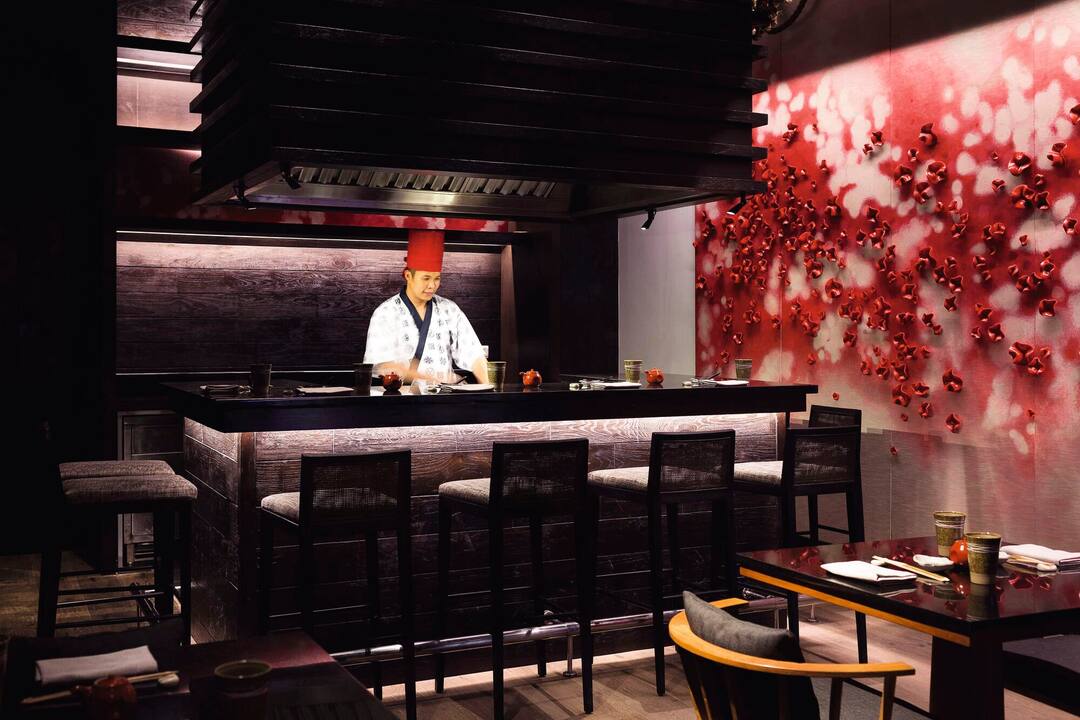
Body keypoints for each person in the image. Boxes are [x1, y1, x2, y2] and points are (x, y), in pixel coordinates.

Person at [363, 230, 489, 384]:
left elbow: (475, 354)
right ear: (408, 276)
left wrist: (490, 389)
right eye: (426, 278)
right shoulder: (385, 313)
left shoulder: (450, 309)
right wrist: (430, 380)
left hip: (447, 394)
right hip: (404, 395)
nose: (432, 285)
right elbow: (382, 366)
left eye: (437, 278)